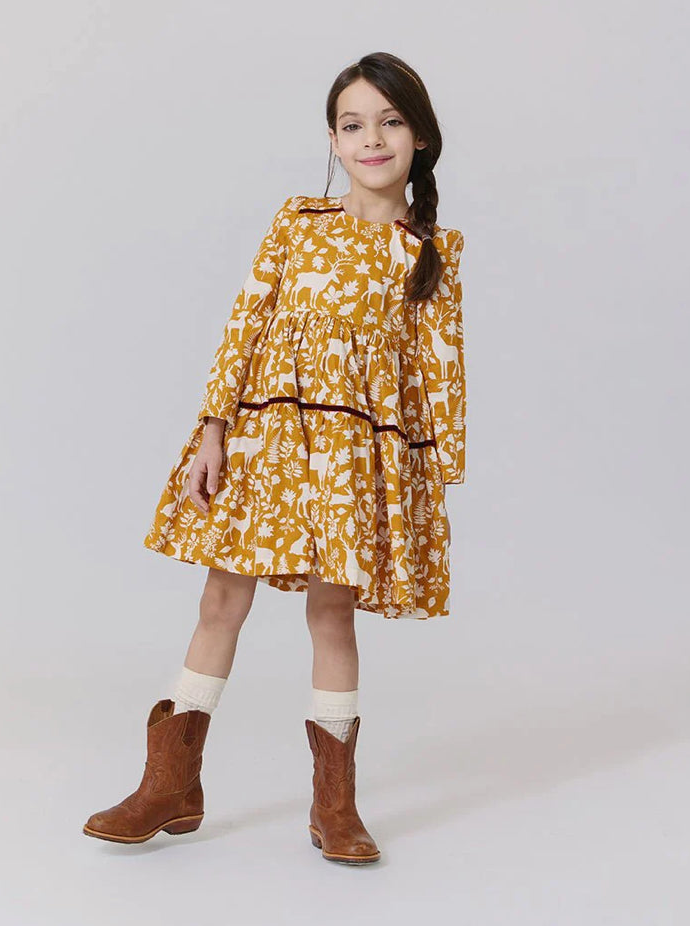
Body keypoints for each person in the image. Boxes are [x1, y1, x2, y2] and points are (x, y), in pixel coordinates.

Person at [83, 51, 467, 865]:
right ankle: (169, 786)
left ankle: (335, 804)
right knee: (221, 598)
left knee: (331, 614)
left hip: (352, 457)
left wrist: (426, 486)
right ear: (332, 139)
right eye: (352, 125)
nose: (371, 139)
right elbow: (245, 324)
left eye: (390, 122)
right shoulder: (297, 221)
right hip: (266, 441)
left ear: (420, 138)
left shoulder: (429, 251)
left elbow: (437, 376)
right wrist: (212, 430)